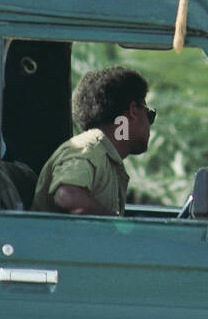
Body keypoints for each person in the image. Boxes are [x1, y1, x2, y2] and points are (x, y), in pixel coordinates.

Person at [32, 66, 154, 216]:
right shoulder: (88, 149)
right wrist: (118, 227)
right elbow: (67, 197)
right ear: (133, 111)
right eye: (150, 114)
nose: (149, 124)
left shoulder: (104, 158)